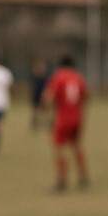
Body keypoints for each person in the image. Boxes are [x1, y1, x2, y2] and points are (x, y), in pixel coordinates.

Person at [43, 54, 90, 192]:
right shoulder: (78, 77)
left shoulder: (58, 77)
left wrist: (46, 107)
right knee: (76, 145)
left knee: (59, 149)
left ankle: (61, 181)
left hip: (63, 119)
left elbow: (49, 98)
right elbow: (86, 96)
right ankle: (83, 176)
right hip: (77, 118)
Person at [29, 58, 49, 130]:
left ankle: (45, 124)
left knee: (44, 111)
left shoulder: (45, 78)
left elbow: (47, 87)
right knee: (35, 110)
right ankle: (35, 123)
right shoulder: (35, 78)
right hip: (36, 95)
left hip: (43, 95)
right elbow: (33, 87)